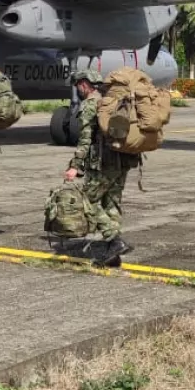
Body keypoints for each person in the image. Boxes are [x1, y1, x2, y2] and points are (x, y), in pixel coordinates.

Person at [65, 68, 139, 265]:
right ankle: (113, 255)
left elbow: (85, 139)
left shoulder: (91, 104)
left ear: (84, 84)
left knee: (87, 201)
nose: (77, 90)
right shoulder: (111, 101)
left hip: (103, 164)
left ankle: (113, 240)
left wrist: (75, 166)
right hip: (122, 161)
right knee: (111, 203)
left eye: (77, 86)